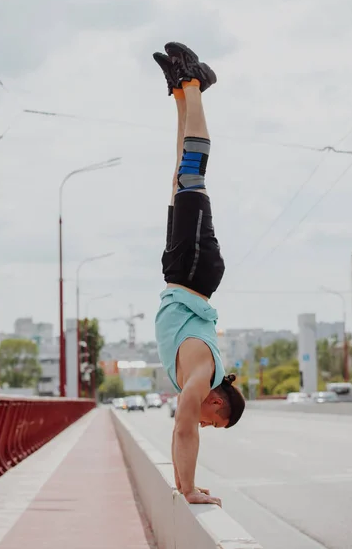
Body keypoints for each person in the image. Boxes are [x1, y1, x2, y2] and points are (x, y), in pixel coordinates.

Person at [153, 42, 245, 507]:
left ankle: (180, 92)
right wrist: (188, 490)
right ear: (218, 404)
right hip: (194, 270)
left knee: (178, 179)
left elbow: (181, 433)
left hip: (183, 271)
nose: (208, 425)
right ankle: (196, 85)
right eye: (217, 422)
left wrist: (182, 485)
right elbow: (185, 429)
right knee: (193, 174)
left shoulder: (202, 376)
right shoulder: (204, 374)